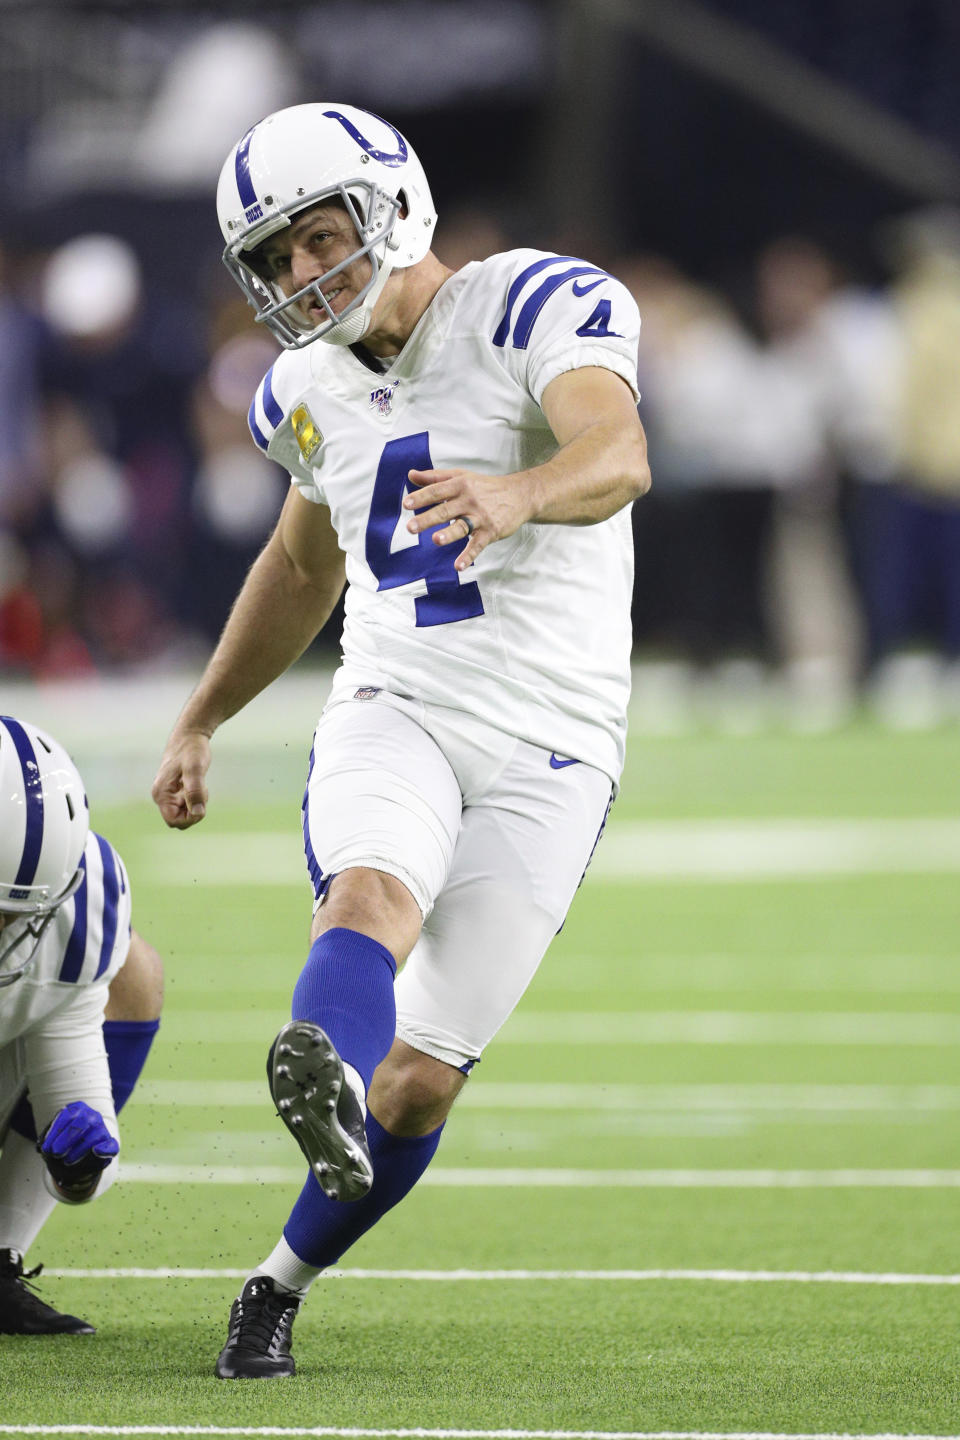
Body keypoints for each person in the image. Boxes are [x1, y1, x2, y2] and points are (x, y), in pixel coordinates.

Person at [151, 102, 649, 1380]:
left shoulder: (529, 304)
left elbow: (619, 448)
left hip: (556, 736)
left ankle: (277, 1280)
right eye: (274, 260)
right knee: (369, 895)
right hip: (401, 700)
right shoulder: (301, 390)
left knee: (422, 1085)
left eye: (319, 237)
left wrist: (519, 491)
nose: (300, 276)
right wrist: (205, 712)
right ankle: (319, 1062)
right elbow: (303, 560)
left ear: (392, 205)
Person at [0, 715, 163, 1335]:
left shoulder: (80, 912)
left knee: (135, 973)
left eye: (13, 916)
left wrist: (78, 1167)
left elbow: (82, 1130)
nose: (2, 934)